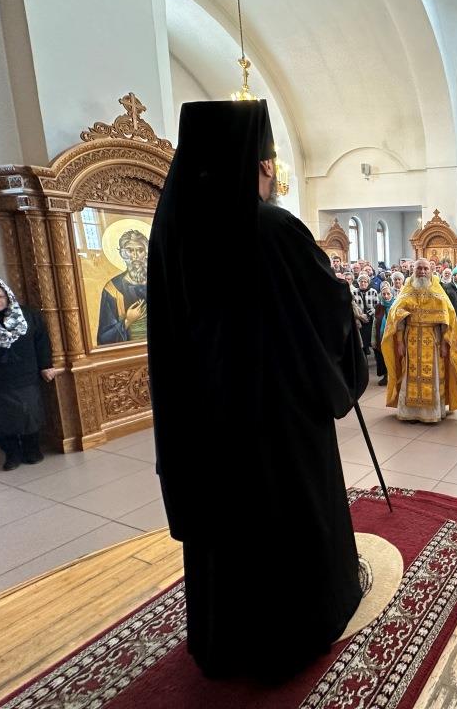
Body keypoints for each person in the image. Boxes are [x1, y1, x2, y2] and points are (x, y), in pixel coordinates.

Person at [147, 100, 366, 679]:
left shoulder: (173, 228)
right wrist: (341, 304)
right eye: (268, 161)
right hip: (276, 417)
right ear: (260, 163)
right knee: (283, 517)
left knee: (226, 530)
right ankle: (295, 631)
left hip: (206, 422)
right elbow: (328, 310)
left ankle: (226, 639)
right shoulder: (271, 227)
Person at [381, 258, 457, 422]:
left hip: (432, 339)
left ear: (431, 270)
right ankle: (410, 412)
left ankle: (432, 413)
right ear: (413, 270)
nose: (422, 272)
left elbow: (446, 319)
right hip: (411, 338)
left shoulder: (437, 289)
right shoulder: (407, 288)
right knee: (409, 373)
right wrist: (399, 342)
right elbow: (396, 317)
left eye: (425, 269)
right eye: (419, 268)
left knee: (433, 374)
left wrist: (444, 344)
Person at [0, 276, 59, 470]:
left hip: (26, 375)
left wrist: (46, 365)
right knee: (1, 418)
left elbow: (41, 341)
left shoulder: (28, 315)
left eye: (0, 296)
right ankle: (12, 454)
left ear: (8, 295)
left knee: (29, 414)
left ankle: (32, 449)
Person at [97, 229, 149, 345]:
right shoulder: (112, 289)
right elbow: (104, 337)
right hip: (130, 350)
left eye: (140, 250)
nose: (135, 256)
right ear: (122, 254)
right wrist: (127, 321)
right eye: (130, 250)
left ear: (146, 253)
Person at [373, 283, 395, 386]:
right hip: (381, 336)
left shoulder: (396, 305)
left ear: (392, 294)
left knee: (393, 358)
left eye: (388, 294)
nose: (386, 296)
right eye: (384, 294)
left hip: (393, 337)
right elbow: (375, 323)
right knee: (383, 358)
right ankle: (386, 376)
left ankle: (394, 377)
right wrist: (373, 339)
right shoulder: (379, 307)